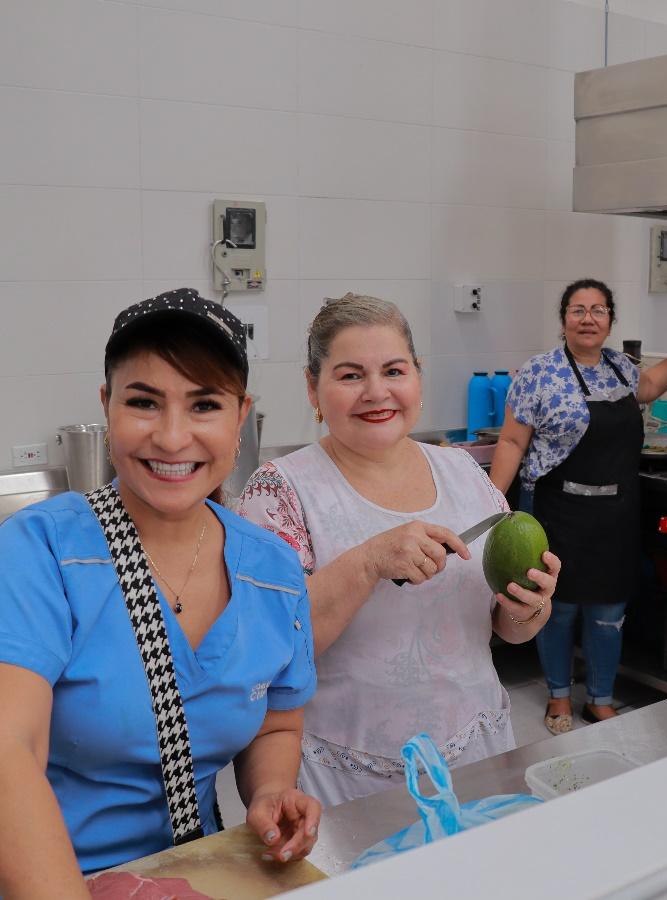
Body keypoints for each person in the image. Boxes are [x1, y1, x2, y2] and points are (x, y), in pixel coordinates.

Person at [0, 289, 321, 899]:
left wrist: (268, 792)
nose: (173, 437)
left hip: (177, 871)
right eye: (144, 403)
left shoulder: (273, 571)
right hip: (13, 875)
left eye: (204, 404)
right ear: (108, 407)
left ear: (241, 416)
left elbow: (276, 724)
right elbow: (7, 756)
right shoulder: (43, 550)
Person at [237, 293, 560, 808]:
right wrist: (367, 562)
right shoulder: (279, 492)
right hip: (346, 782)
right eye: (349, 375)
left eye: (394, 370)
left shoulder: (465, 477)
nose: (376, 391)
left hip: (477, 758)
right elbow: (270, 652)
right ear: (312, 387)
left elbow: (505, 627)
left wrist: (531, 607)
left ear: (418, 376)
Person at [489, 278, 667, 734]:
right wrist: (493, 503)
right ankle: (558, 697)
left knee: (609, 612)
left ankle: (600, 698)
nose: (588, 318)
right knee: (559, 607)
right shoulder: (540, 372)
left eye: (597, 310)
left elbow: (651, 384)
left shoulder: (621, 368)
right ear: (563, 320)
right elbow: (514, 441)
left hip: (615, 513)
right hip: (557, 506)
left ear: (610, 320)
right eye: (578, 310)